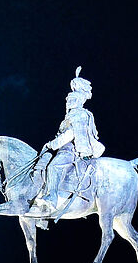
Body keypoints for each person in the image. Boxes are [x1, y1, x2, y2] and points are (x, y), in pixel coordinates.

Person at [33, 69, 105, 213]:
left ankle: (52, 198)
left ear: (78, 101)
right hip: (65, 149)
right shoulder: (74, 114)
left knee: (53, 167)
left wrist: (51, 144)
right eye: (68, 99)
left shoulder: (78, 114)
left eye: (71, 100)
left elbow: (71, 134)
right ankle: (43, 216)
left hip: (72, 150)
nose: (68, 102)